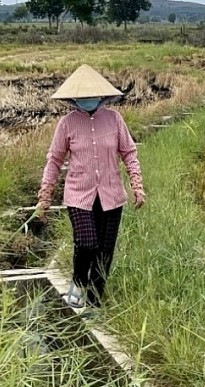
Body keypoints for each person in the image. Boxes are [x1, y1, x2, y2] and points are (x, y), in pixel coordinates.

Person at [36, 64, 145, 309]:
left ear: (101, 95)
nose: (86, 100)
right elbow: (54, 160)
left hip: (111, 196)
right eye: (81, 97)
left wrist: (137, 185)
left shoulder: (114, 119)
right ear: (74, 99)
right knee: (86, 243)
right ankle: (77, 281)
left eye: (90, 96)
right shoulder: (67, 124)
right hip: (79, 195)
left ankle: (95, 303)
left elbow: (129, 152)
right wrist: (45, 196)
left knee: (104, 254)